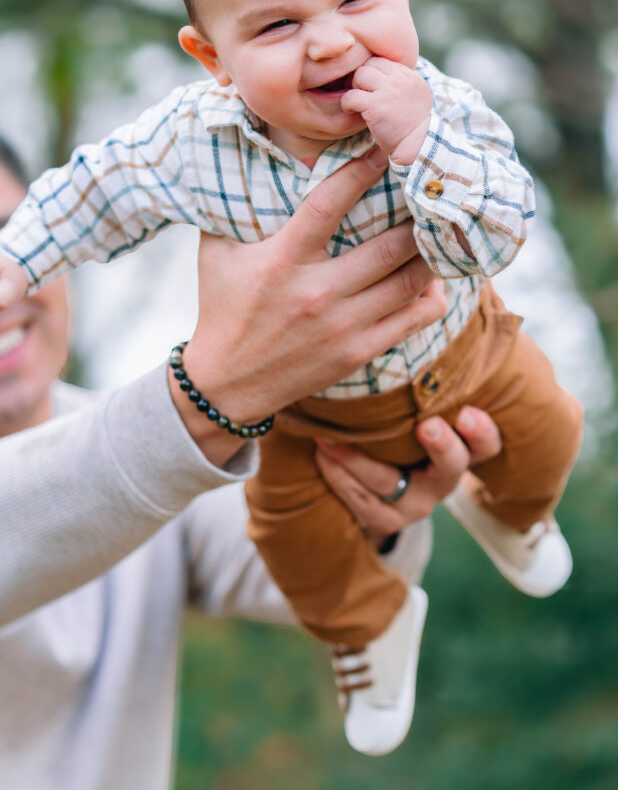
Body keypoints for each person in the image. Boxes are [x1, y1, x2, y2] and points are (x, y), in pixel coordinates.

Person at [0, 0, 583, 754]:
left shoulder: (444, 111)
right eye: (275, 27)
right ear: (211, 55)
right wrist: (24, 261)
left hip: (464, 350)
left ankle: (514, 511)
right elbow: (102, 188)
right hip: (306, 415)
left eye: (357, 1)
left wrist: (422, 150)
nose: (329, 41)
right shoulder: (198, 143)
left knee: (545, 428)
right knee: (298, 540)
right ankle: (374, 632)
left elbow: (502, 227)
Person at [0, 136, 504, 789]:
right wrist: (210, 394)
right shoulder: (155, 449)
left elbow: (296, 566)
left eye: (12, 235)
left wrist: (378, 462)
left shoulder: (149, 461)